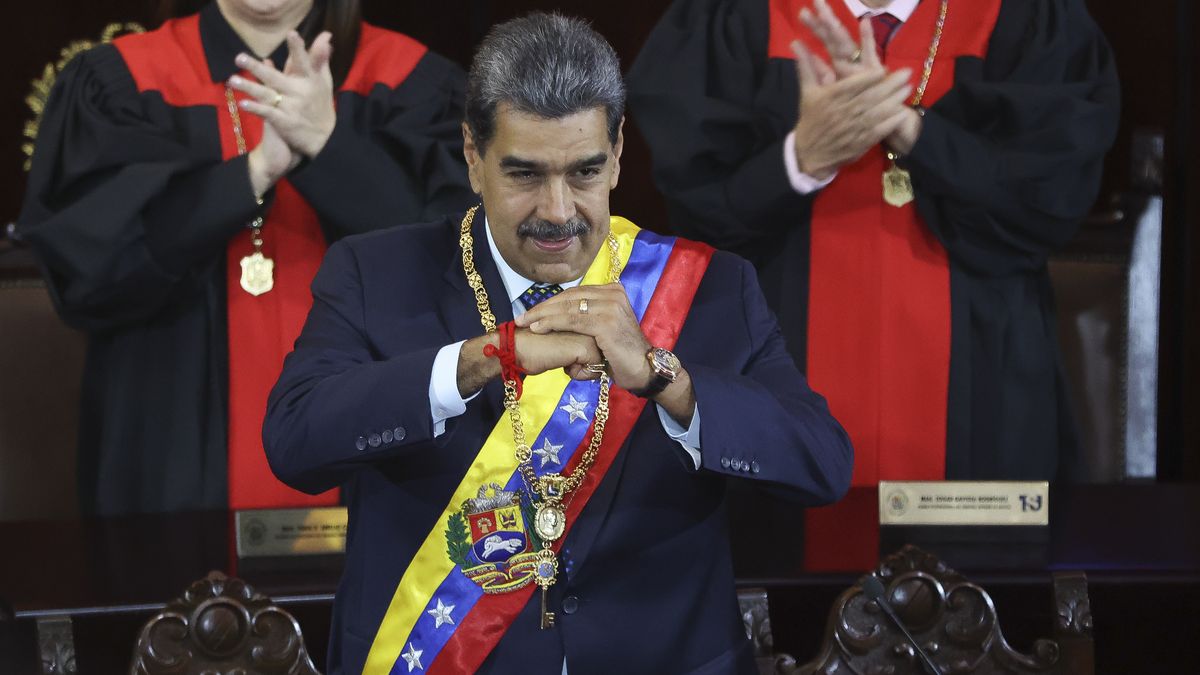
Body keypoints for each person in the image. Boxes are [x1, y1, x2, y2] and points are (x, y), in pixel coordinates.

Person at [264, 12, 852, 674]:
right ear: (471, 154)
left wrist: (667, 380)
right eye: (524, 174)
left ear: (619, 152)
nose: (557, 210)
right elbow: (295, 442)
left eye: (583, 172)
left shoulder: (712, 287)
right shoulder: (375, 274)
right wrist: (479, 359)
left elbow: (822, 464)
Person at [626, 0, 1120, 565]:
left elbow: (1049, 205)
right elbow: (695, 212)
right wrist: (801, 159)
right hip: (775, 387)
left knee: (980, 625)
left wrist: (912, 131)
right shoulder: (735, 17)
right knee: (782, 619)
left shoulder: (1025, 17)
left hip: (983, 395)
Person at [17, 0, 474, 515]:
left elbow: (459, 273)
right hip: (169, 461)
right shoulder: (121, 80)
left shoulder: (412, 81)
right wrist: (253, 172)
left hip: (384, 477)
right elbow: (88, 278)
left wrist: (327, 145)